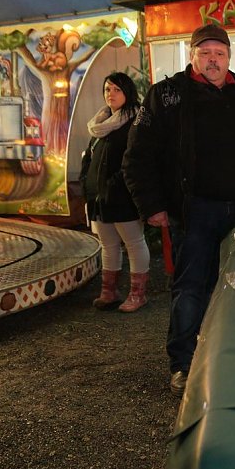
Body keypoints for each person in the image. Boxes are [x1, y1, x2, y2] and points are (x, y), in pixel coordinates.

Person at [122, 24, 235, 396]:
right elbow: (137, 156)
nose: (213, 60)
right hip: (194, 212)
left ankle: (233, 355)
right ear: (192, 55)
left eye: (220, 53)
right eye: (205, 52)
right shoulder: (167, 95)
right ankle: (183, 363)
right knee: (191, 287)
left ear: (229, 57)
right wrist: (153, 206)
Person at [79, 72, 151, 313]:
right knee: (108, 244)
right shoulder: (100, 123)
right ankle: (109, 291)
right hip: (98, 197)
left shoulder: (135, 121)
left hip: (123, 196)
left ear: (128, 92)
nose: (111, 94)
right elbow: (90, 157)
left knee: (133, 242)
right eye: (108, 89)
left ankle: (137, 294)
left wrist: (114, 185)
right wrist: (86, 184)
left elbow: (136, 160)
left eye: (117, 90)